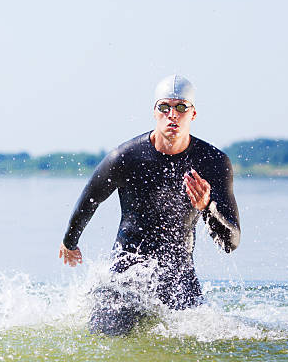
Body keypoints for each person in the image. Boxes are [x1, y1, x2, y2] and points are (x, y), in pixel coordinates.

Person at [58, 74, 241, 336]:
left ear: (193, 114)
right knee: (106, 337)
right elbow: (90, 199)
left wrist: (206, 205)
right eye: (164, 107)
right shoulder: (126, 157)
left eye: (181, 108)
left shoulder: (212, 162)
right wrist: (70, 241)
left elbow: (231, 242)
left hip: (178, 276)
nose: (172, 115)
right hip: (126, 274)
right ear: (154, 112)